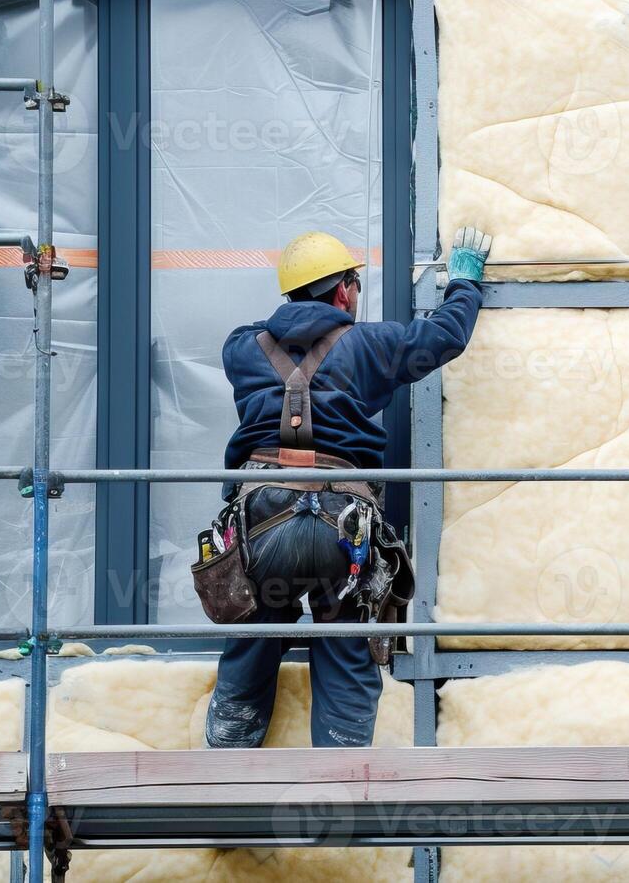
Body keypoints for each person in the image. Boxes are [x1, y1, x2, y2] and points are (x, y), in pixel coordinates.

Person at [204, 227, 490, 749]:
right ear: (342, 290)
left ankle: (225, 768)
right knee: (344, 640)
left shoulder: (242, 348)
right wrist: (464, 285)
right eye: (355, 285)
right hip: (343, 523)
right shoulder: (371, 344)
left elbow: (260, 337)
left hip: (263, 516)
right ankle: (338, 787)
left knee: (256, 632)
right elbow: (443, 337)